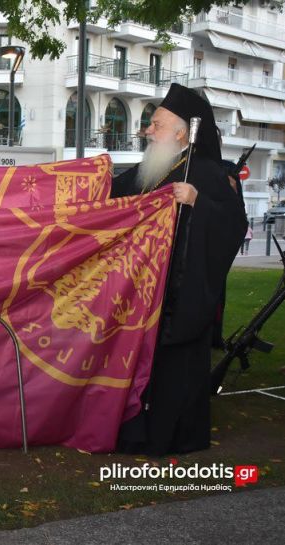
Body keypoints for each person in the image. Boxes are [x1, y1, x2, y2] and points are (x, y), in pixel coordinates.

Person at [111, 83, 247, 456]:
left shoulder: (208, 172)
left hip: (182, 292)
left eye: (155, 124)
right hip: (141, 289)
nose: (147, 130)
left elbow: (234, 225)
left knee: (175, 370)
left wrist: (198, 201)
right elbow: (109, 193)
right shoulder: (150, 169)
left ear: (182, 132)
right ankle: (136, 428)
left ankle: (174, 436)